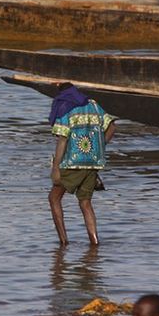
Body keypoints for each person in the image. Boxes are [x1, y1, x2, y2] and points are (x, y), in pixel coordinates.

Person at [49, 83, 116, 246]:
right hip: (93, 163)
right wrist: (99, 146)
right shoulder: (93, 105)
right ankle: (94, 242)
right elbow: (111, 127)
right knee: (85, 202)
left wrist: (56, 168)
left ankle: (63, 242)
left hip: (73, 164)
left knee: (54, 198)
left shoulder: (65, 107)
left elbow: (63, 140)